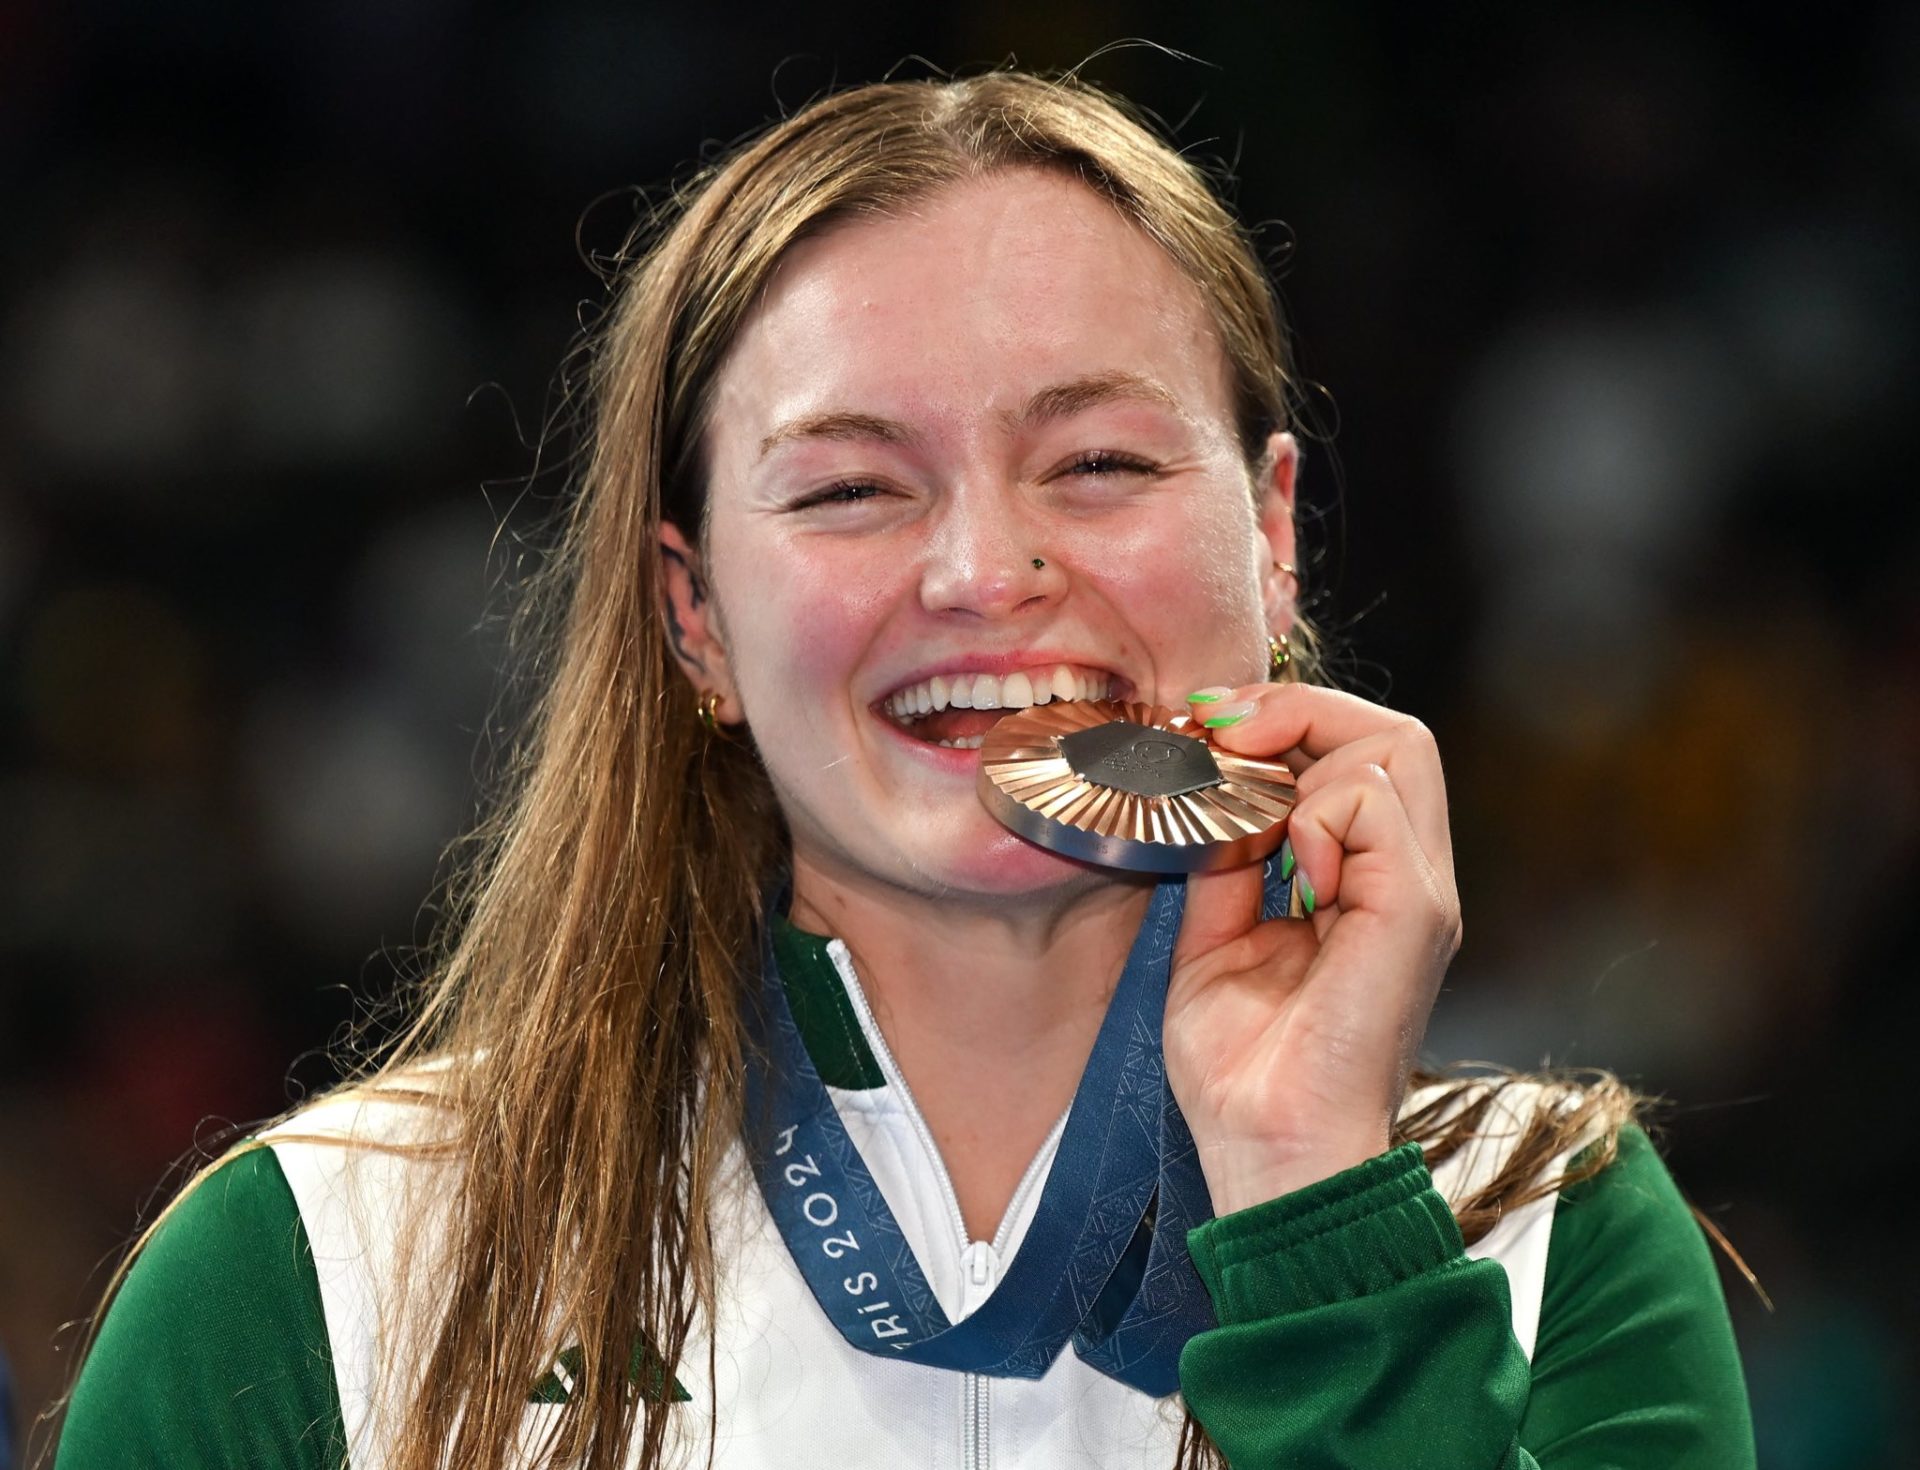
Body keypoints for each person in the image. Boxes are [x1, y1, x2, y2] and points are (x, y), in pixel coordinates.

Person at [53, 70, 1754, 1469]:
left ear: (1278, 537)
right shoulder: (323, 1271)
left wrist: (1319, 1209)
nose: (984, 569)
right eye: (853, 487)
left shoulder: (1541, 1238)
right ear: (695, 613)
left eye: (1095, 461)